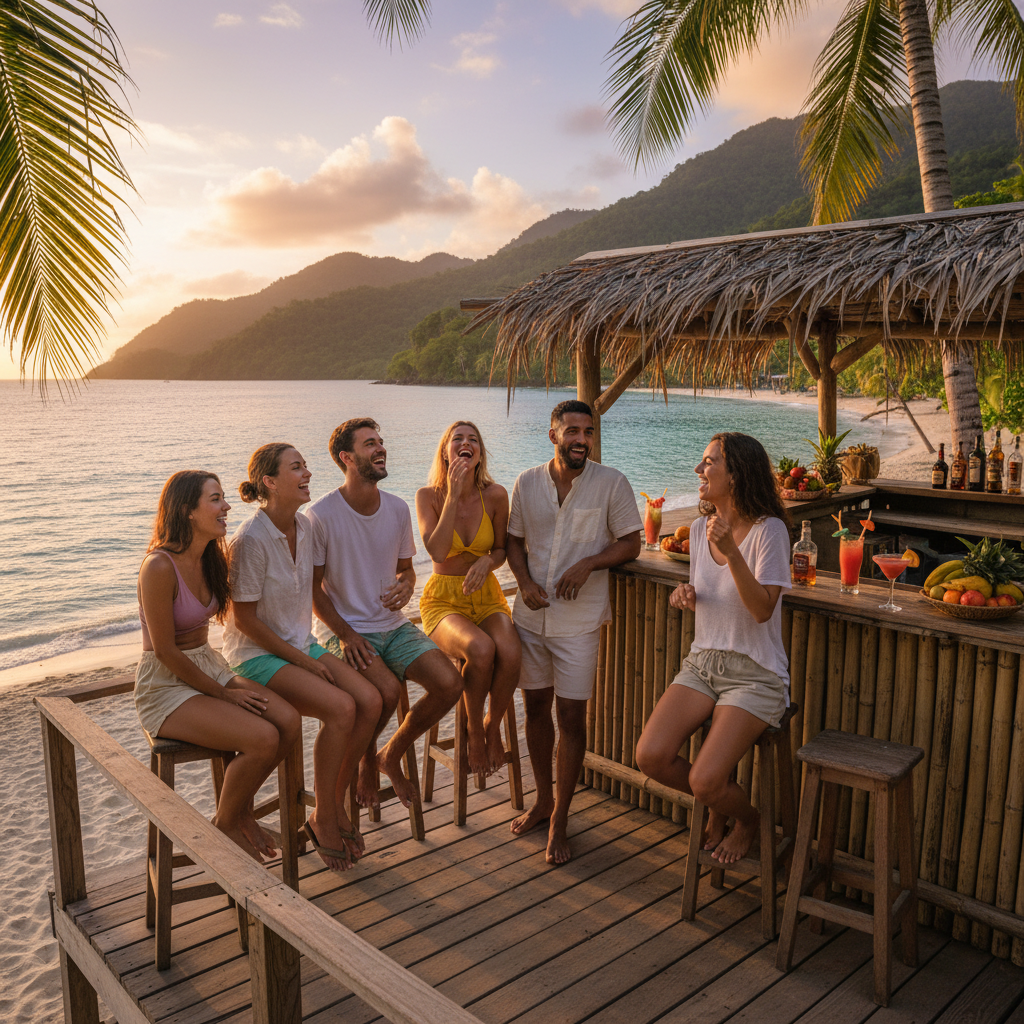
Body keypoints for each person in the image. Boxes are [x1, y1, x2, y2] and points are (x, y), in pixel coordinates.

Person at [221, 443, 382, 871]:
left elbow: (313, 591)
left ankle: (330, 802)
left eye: (306, 466)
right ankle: (326, 814)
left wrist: (320, 648)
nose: (308, 472)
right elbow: (246, 621)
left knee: (369, 700)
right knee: (342, 707)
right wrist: (304, 660)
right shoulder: (251, 540)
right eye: (297, 468)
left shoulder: (306, 527)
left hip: (300, 642)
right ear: (269, 482)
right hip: (256, 655)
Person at [635, 432, 791, 864]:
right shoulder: (702, 529)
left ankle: (748, 819)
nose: (699, 471)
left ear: (737, 474)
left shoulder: (769, 532)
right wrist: (686, 594)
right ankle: (723, 804)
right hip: (703, 663)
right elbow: (714, 593)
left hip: (756, 673)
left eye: (709, 463)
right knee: (650, 756)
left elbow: (761, 610)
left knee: (704, 781)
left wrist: (733, 554)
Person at [135, 470, 301, 862]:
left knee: (288, 721)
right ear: (187, 511)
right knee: (262, 737)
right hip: (166, 684)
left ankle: (238, 812)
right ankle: (228, 824)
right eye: (215, 499)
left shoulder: (212, 558)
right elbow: (165, 652)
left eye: (223, 498)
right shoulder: (158, 567)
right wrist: (226, 694)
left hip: (209, 666)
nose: (226, 506)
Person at [506, 400, 642, 864]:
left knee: (571, 719)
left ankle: (561, 817)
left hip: (579, 623)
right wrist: (523, 583)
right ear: (553, 435)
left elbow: (631, 542)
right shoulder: (526, 482)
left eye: (587, 431)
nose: (581, 439)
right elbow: (513, 540)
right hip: (529, 618)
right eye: (572, 431)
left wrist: (589, 562)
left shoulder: (612, 483)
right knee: (536, 708)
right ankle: (543, 800)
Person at [308, 418, 462, 810]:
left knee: (449, 684)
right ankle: (363, 765)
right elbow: (312, 589)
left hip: (391, 625)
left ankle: (388, 755)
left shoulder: (395, 508)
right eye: (369, 444)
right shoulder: (320, 515)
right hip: (341, 629)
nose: (381, 448)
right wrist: (345, 634)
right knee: (388, 692)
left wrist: (408, 584)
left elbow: (406, 569)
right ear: (346, 457)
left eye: (381, 441)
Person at [415, 421, 521, 776]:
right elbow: (439, 551)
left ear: (479, 453)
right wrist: (453, 491)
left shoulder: (496, 495)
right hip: (443, 601)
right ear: (446, 452)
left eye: (472, 439)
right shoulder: (426, 496)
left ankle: (493, 726)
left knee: (510, 649)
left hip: (486, 595)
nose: (465, 443)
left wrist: (487, 561)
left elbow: (502, 549)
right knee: (480, 649)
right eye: (457, 439)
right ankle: (475, 731)